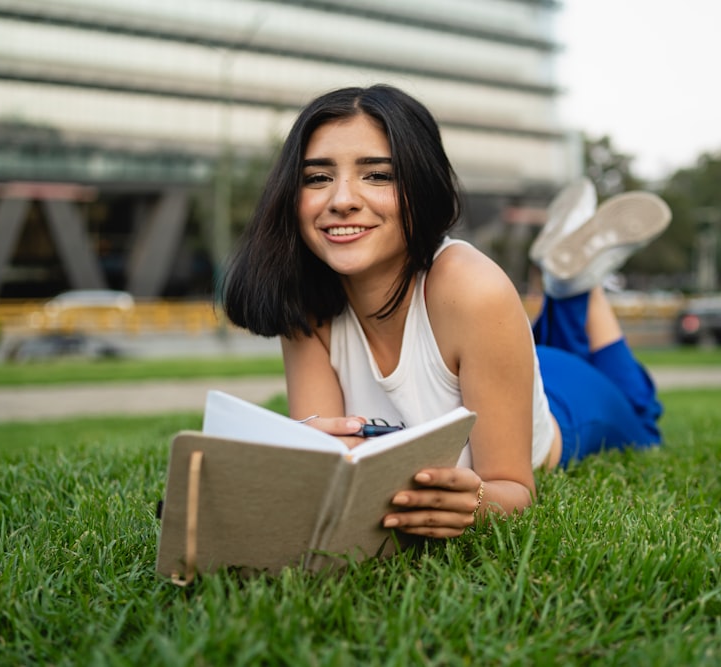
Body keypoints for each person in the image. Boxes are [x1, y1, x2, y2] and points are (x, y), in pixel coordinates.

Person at [223, 84, 667, 540]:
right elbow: (327, 465)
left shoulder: (472, 288)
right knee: (551, 345)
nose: (341, 200)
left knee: (643, 416)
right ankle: (568, 283)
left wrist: (474, 501)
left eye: (377, 176)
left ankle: (574, 287)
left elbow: (515, 489)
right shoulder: (305, 298)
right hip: (497, 360)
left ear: (422, 185)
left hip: (568, 406)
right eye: (317, 178)